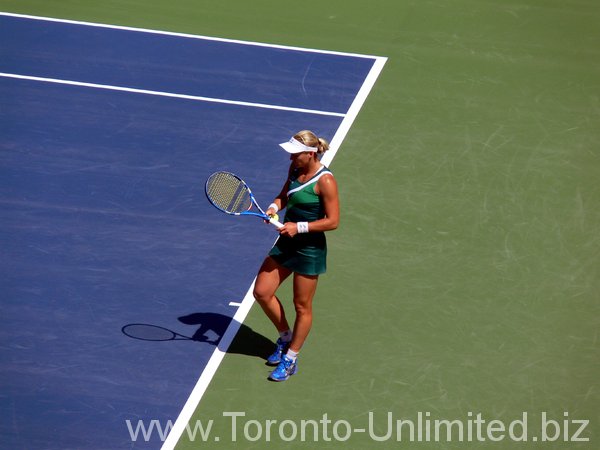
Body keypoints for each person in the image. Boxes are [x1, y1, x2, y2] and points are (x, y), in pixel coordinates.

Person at [253, 130, 340, 382]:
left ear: (310, 154)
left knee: (302, 306)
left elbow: (333, 221)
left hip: (309, 249)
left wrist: (298, 226)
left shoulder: (326, 181)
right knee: (262, 292)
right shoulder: (294, 171)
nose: (291, 160)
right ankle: (285, 338)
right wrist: (272, 207)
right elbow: (283, 196)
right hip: (287, 244)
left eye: (295, 155)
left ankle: (290, 359)